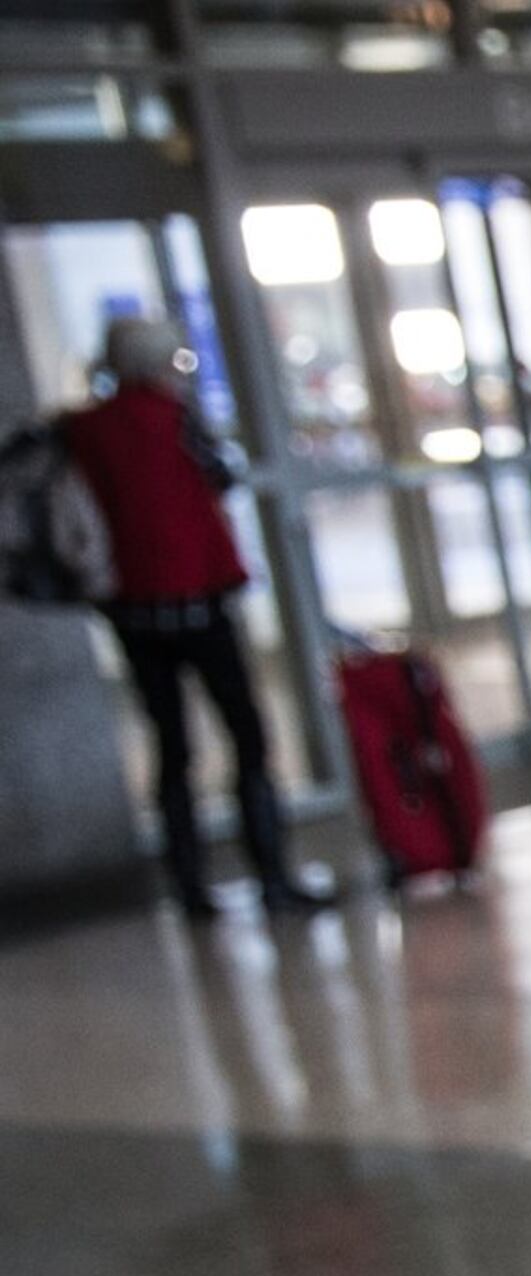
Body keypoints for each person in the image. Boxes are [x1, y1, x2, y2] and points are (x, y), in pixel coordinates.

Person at [63, 315, 320, 918]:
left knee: (171, 746)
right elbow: (220, 476)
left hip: (132, 611)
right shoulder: (175, 418)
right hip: (199, 602)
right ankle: (273, 876)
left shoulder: (83, 430)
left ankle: (190, 888)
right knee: (246, 737)